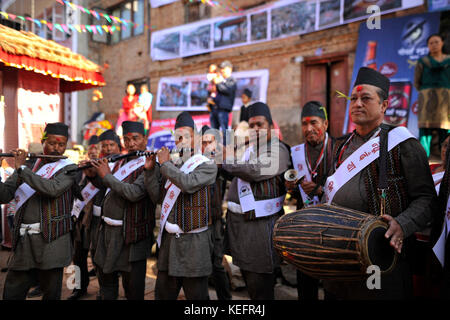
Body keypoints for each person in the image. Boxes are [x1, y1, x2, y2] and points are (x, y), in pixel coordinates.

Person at [322, 67, 436, 300]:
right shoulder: (341, 146)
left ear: (384, 105)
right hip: (341, 260)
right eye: (353, 98)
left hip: (384, 259)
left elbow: (427, 199)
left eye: (366, 98)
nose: (357, 104)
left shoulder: (403, 144)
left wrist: (402, 224)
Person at [0, 122, 78, 300]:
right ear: (43, 141)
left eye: (61, 144)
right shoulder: (30, 166)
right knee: (12, 291)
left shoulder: (69, 168)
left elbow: (52, 189)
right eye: (52, 143)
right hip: (25, 241)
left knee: (51, 293)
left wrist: (22, 169)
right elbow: (4, 195)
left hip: (52, 242)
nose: (57, 149)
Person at [222, 102, 291, 300]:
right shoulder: (247, 149)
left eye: (259, 124)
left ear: (270, 126)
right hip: (240, 226)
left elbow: (256, 170)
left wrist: (227, 160)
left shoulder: (279, 149)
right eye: (251, 126)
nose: (255, 130)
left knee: (260, 284)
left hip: (261, 228)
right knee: (248, 279)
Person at [148, 111, 217, 300]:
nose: (182, 141)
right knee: (163, 294)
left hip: (194, 246)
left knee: (197, 297)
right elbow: (158, 197)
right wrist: (149, 171)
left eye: (187, 136)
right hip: (170, 245)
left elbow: (188, 183)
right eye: (178, 137)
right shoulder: (173, 165)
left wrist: (165, 165)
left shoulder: (207, 165)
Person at [87, 121, 157, 300]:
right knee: (106, 281)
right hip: (108, 233)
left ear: (145, 139)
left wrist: (107, 176)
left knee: (132, 287)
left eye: (135, 139)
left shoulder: (150, 164)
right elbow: (107, 188)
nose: (131, 144)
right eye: (126, 140)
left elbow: (134, 193)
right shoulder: (121, 160)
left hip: (132, 235)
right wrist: (93, 177)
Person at [285, 101, 334, 301]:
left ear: (326, 124)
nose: (308, 129)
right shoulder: (295, 152)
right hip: (305, 226)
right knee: (306, 284)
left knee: (333, 286)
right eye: (304, 124)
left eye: (314, 123)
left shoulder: (338, 148)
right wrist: (291, 188)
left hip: (332, 226)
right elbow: (291, 189)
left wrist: (321, 189)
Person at [200, 125, 232, 300]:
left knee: (217, 265)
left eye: (210, 142)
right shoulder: (195, 161)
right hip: (197, 222)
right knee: (200, 267)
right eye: (203, 142)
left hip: (215, 221)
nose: (207, 146)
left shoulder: (221, 162)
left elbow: (233, 174)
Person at [68, 135, 100, 300]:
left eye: (97, 149)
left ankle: (105, 288)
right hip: (80, 220)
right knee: (78, 256)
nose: (93, 153)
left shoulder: (106, 168)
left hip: (97, 221)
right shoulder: (81, 169)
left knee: (98, 257)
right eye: (91, 150)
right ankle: (78, 288)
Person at [414, 34, 450, 158]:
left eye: (436, 42)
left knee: (446, 129)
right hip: (426, 100)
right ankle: (423, 162)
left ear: (442, 43)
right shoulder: (422, 62)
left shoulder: (449, 60)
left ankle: (446, 163)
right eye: (431, 43)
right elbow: (417, 82)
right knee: (425, 131)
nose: (434, 45)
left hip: (446, 100)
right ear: (428, 46)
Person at [208, 61, 237, 142]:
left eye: (224, 69)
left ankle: (226, 150)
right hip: (214, 108)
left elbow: (226, 90)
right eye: (221, 69)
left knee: (225, 131)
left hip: (223, 110)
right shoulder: (220, 80)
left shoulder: (232, 80)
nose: (222, 71)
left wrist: (218, 83)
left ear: (230, 69)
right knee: (214, 132)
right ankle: (215, 149)